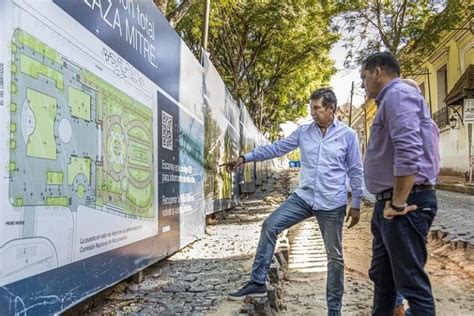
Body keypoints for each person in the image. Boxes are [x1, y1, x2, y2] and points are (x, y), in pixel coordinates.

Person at [222, 88, 364, 316]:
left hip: (332, 204)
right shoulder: (303, 132)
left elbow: (356, 170)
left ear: (331, 109)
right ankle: (257, 282)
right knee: (270, 225)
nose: (313, 113)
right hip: (304, 198)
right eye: (311, 108)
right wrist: (244, 158)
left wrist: (356, 203)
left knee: (335, 258)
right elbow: (277, 148)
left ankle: (334, 310)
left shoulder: (347, 135)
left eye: (317, 108)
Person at [361, 52, 438, 315]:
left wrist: (398, 202)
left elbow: (408, 149)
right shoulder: (392, 98)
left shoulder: (396, 94)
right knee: (383, 278)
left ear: (378, 72)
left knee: (411, 284)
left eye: (364, 77)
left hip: (404, 205)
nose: (363, 85)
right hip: (389, 204)